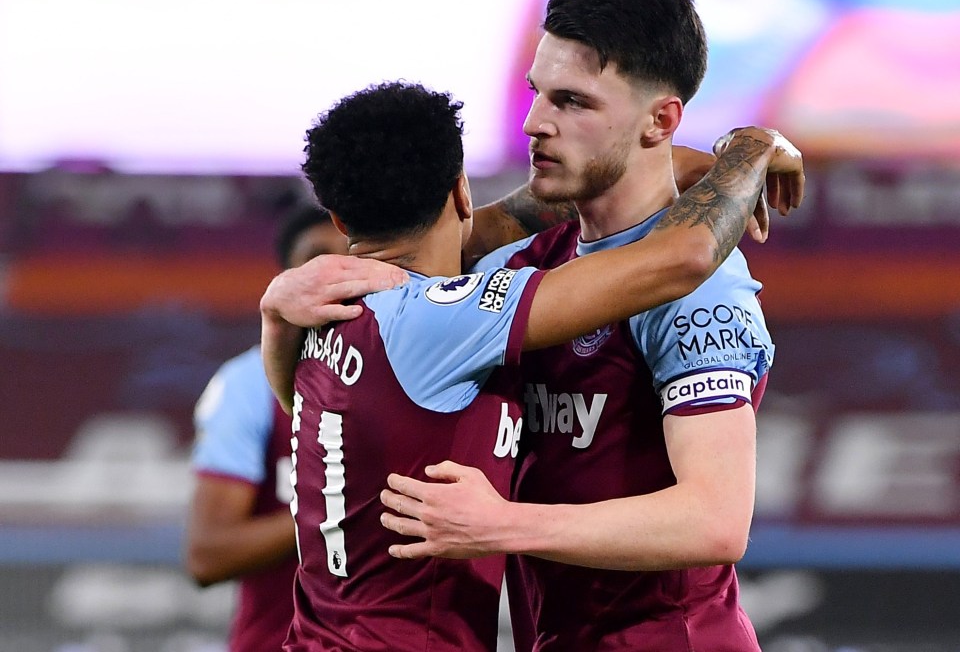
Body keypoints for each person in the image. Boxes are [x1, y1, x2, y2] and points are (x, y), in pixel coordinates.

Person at [258, 79, 802, 651]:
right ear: (462, 192)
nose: (536, 119)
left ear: (339, 221)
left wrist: (274, 317)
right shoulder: (445, 318)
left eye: (568, 100)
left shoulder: (324, 316)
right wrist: (752, 149)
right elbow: (679, 257)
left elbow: (301, 409)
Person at [374, 0, 797, 651]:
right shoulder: (521, 265)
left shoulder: (701, 292)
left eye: (571, 101)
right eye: (538, 91)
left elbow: (715, 520)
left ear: (660, 120)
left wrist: (501, 525)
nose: (535, 122)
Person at [184, 204, 349, 652]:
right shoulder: (247, 384)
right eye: (316, 258)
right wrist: (339, 506)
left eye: (350, 255)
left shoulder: (416, 365)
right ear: (284, 279)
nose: (335, 273)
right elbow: (208, 553)